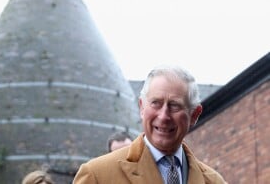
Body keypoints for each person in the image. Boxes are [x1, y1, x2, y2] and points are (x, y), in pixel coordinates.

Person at [73, 65, 227, 183]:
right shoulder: (98, 176)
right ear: (141, 107)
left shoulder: (213, 181)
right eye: (156, 103)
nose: (163, 116)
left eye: (174, 105)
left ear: (194, 115)